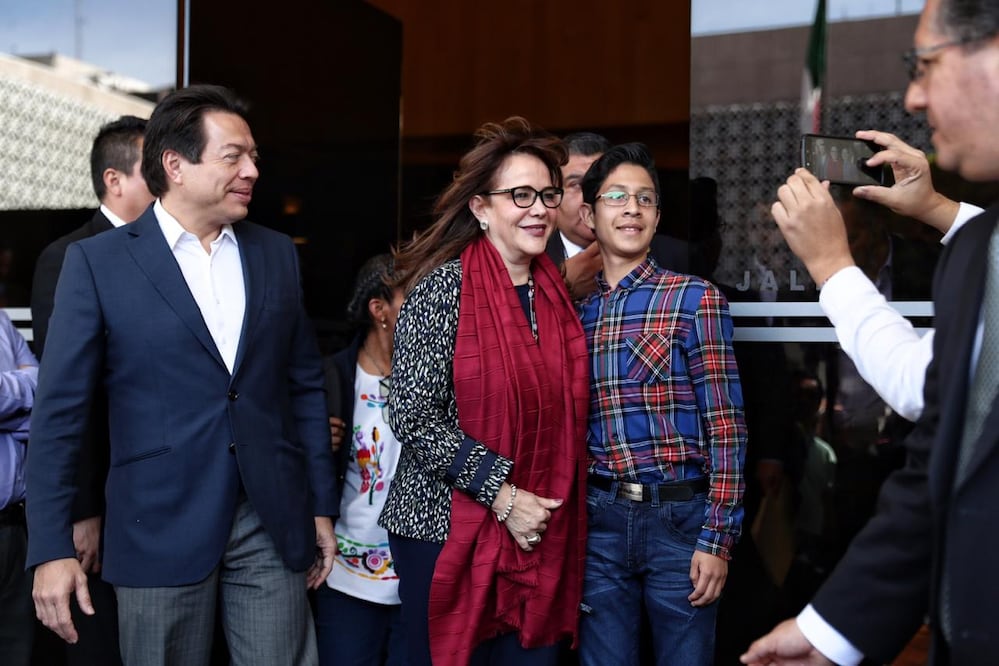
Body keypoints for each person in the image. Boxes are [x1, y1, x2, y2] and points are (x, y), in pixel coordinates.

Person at [25, 84, 337, 666]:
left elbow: (302, 387)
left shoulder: (274, 253)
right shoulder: (99, 262)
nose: (251, 170)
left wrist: (319, 504)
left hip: (270, 515)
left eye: (254, 159)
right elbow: (61, 413)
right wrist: (49, 544)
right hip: (156, 519)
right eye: (234, 156)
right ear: (176, 164)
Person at [741, 0, 999, 663]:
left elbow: (923, 390)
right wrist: (939, 208)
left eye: (924, 64)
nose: (913, 97)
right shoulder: (977, 241)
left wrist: (830, 265)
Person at [377, 116, 590, 666]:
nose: (539, 208)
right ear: (480, 207)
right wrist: (502, 496)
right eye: (520, 195)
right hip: (444, 526)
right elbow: (413, 414)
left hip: (541, 526)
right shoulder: (441, 289)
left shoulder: (555, 294)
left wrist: (527, 507)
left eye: (548, 194)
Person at [575, 142, 747, 665]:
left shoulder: (694, 299)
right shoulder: (573, 315)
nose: (632, 209)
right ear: (589, 214)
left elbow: (726, 426)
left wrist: (718, 536)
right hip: (599, 521)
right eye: (618, 197)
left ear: (657, 216)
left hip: (680, 519)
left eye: (645, 199)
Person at [30, 114, 154, 666]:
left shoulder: (165, 254)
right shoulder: (69, 256)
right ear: (115, 179)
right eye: (155, 171)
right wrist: (82, 509)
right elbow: (68, 399)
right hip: (98, 497)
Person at [316, 254, 405, 666]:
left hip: (416, 576)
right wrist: (315, 443)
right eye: (413, 298)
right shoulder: (330, 379)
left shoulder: (436, 379)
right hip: (345, 578)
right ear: (379, 310)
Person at [546, 132, 689, 299]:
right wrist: (560, 286)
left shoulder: (678, 257)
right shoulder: (530, 259)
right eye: (576, 185)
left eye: (611, 191)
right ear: (553, 196)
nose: (589, 195)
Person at [0, 313, 38, 666]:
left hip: (14, 528)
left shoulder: (0, 320)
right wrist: (23, 385)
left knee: (17, 653)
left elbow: (45, 385)